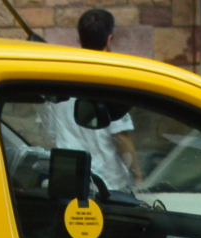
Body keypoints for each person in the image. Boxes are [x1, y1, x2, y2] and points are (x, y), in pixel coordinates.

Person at [47, 8, 140, 193]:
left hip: (68, 182)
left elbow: (51, 131)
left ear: (79, 39)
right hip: (106, 187)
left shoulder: (61, 79)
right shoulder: (110, 80)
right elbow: (121, 137)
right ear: (109, 39)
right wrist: (138, 176)